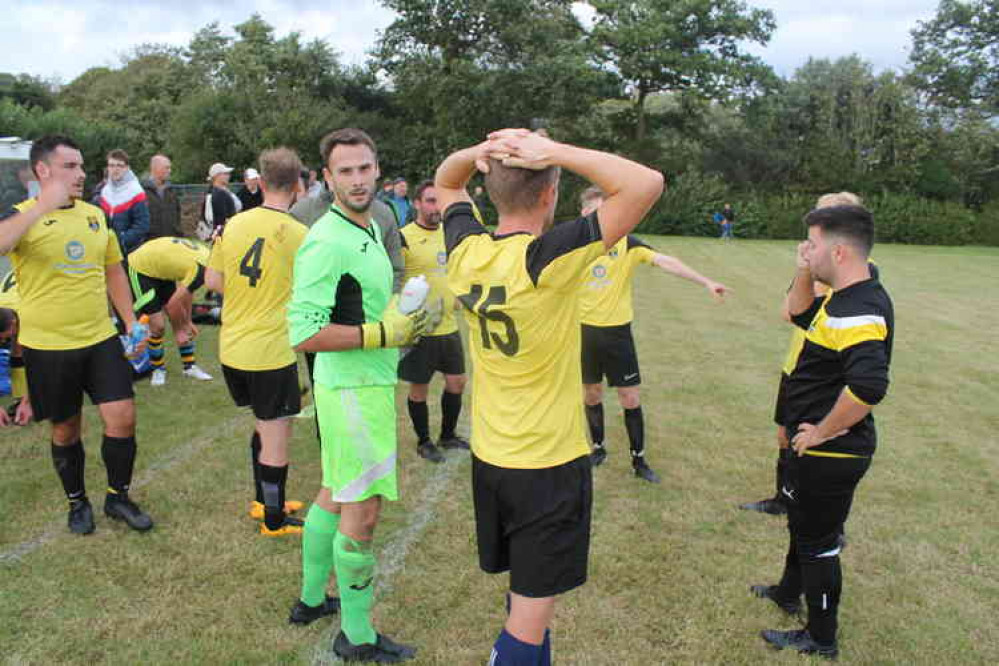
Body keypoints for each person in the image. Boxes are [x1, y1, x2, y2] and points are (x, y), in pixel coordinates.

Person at [436, 129, 664, 665]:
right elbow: (645, 184)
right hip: (546, 465)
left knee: (529, 604)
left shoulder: (467, 249)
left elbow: (447, 179)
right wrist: (555, 154)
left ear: (489, 192)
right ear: (549, 194)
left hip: (493, 457)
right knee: (527, 620)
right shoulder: (548, 257)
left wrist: (480, 155)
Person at [287, 128, 425, 661]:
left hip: (363, 382)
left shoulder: (370, 225)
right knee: (361, 513)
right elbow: (303, 332)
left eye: (364, 168)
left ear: (376, 168)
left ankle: (308, 601)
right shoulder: (327, 239)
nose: (358, 179)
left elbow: (365, 308)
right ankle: (358, 636)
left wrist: (401, 317)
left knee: (334, 493)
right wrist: (383, 334)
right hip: (352, 388)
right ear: (328, 178)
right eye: (345, 171)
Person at [754, 204, 893, 659]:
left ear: (837, 252)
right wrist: (803, 269)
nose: (804, 250)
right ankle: (786, 593)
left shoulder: (861, 311)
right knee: (803, 526)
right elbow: (797, 314)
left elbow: (870, 386)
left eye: (810, 245)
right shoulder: (844, 294)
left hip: (832, 453)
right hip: (811, 446)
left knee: (819, 544)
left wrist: (822, 432)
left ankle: (822, 636)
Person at [0, 134, 153, 534]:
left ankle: (118, 497)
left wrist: (131, 319)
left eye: (82, 166)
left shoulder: (94, 214)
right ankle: (77, 501)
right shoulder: (20, 214)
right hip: (48, 346)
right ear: (43, 170)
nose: (82, 174)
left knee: (122, 417)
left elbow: (113, 269)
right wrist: (40, 208)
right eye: (70, 166)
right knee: (66, 428)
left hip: (99, 338)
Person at [578, 186, 730, 484]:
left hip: (617, 334)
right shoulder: (575, 246)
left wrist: (705, 282)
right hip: (583, 333)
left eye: (607, 211)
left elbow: (665, 261)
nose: (604, 217)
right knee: (591, 393)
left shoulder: (628, 244)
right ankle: (597, 449)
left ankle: (639, 460)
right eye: (597, 211)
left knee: (630, 397)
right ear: (585, 213)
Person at [741, 192, 866, 516]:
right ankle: (783, 499)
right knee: (785, 434)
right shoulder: (813, 267)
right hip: (795, 365)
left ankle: (828, 520)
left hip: (829, 373)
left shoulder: (861, 271)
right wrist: (809, 270)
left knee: (820, 441)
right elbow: (789, 312)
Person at [205, 147, 308, 537]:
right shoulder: (300, 234)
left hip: (232, 347)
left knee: (264, 426)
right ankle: (274, 520)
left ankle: (264, 501)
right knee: (277, 433)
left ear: (261, 184)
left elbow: (213, 282)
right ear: (298, 184)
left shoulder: (234, 223)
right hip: (270, 351)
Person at [399, 180, 468, 463]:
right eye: (429, 201)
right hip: (421, 328)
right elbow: (393, 280)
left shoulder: (448, 234)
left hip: (449, 325)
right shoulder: (404, 237)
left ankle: (448, 435)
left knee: (457, 382)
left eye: (438, 201)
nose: (435, 207)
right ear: (417, 204)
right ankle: (424, 440)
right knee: (420, 387)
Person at [128, 236, 214, 386]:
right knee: (158, 325)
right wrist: (180, 330)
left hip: (162, 268)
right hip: (140, 268)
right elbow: (173, 305)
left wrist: (187, 321)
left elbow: (187, 294)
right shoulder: (202, 269)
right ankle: (158, 369)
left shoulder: (208, 260)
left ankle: (189, 366)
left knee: (181, 321)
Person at [94, 149, 150, 254]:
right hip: (106, 251)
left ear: (127, 168)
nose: (115, 169)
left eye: (119, 165)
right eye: (111, 165)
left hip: (130, 252)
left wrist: (121, 240)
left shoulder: (136, 192)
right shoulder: (104, 191)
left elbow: (142, 226)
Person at [0, 270, 31, 426]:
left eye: (4, 337)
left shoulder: (28, 314)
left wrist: (27, 401)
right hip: (17, 289)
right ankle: (20, 400)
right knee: (15, 350)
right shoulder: (9, 319)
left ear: (13, 324)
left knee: (21, 350)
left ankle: (23, 401)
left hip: (31, 298)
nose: (3, 341)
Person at [142, 154, 183, 240]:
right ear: (155, 168)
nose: (170, 171)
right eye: (166, 168)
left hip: (170, 243)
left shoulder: (171, 192)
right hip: (150, 244)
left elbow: (177, 217)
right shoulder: (141, 192)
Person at [201, 163, 241, 240]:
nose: (228, 176)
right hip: (223, 236)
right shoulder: (219, 193)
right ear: (217, 176)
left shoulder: (212, 191)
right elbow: (221, 220)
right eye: (225, 173)